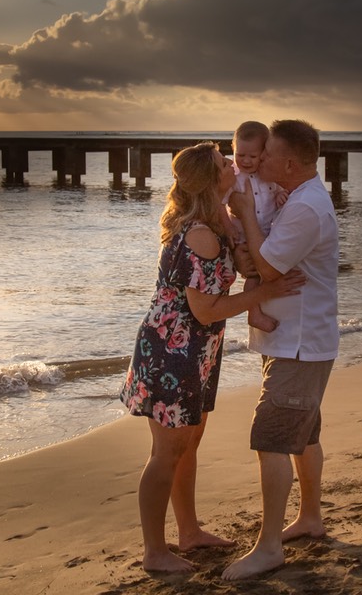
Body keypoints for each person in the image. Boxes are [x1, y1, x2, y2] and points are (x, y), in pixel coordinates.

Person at [119, 142, 306, 573]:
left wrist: (264, 210)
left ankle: (189, 532)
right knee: (167, 451)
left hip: (196, 348)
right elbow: (206, 309)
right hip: (173, 350)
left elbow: (242, 257)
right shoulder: (200, 234)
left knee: (189, 443)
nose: (233, 166)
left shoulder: (214, 218)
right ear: (212, 179)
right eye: (225, 163)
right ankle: (154, 551)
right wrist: (262, 293)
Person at [222, 119, 340, 581]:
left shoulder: (305, 210)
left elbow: (268, 267)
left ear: (289, 163)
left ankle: (269, 547)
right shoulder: (299, 200)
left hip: (299, 345)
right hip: (296, 339)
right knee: (303, 434)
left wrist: (246, 212)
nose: (259, 159)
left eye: (267, 153)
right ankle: (310, 517)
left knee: (270, 437)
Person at [230, 121, 285, 333]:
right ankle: (254, 314)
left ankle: (265, 308)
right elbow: (220, 203)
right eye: (240, 155)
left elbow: (277, 188)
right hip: (245, 236)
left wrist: (280, 193)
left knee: (267, 273)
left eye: (252, 157)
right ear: (233, 148)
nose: (245, 161)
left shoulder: (268, 174)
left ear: (263, 153)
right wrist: (227, 227)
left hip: (268, 234)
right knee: (253, 276)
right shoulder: (233, 177)